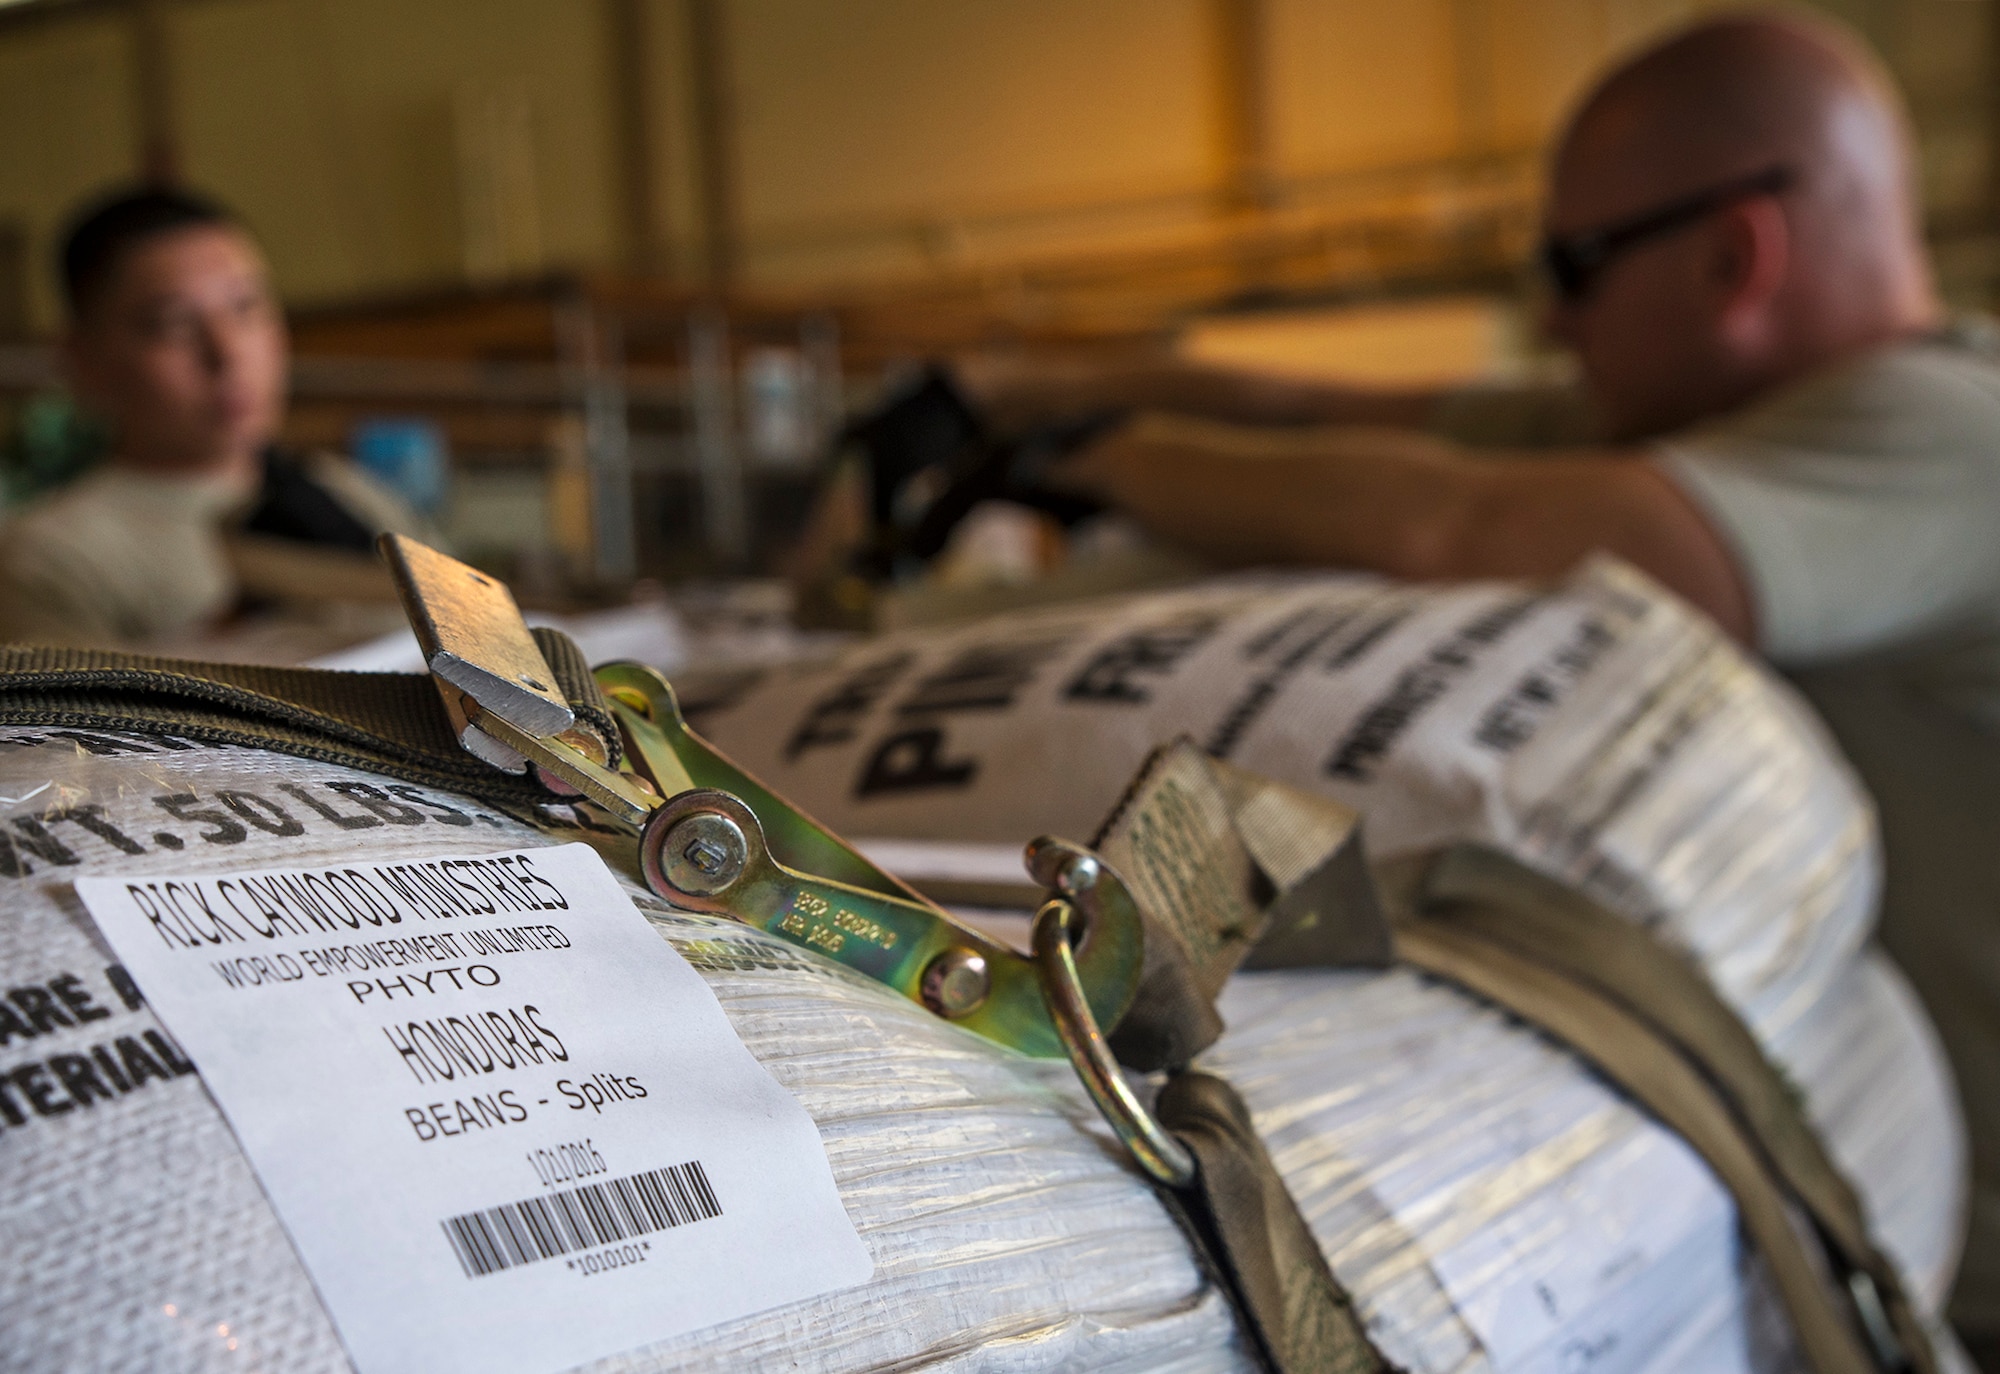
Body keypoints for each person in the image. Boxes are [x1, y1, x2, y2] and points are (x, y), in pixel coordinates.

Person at [961, 11, 2000, 1352]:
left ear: (1737, 254)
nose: (1553, 322)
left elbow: (1461, 526)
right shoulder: (1721, 416)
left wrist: (1093, 463)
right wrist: (1030, 391)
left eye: (1574, 266)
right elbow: (1343, 419)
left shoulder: (1945, 435)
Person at [0, 187, 427, 648]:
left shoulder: (347, 492)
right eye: (174, 324)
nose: (227, 353)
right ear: (84, 361)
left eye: (245, 307)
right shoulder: (52, 558)